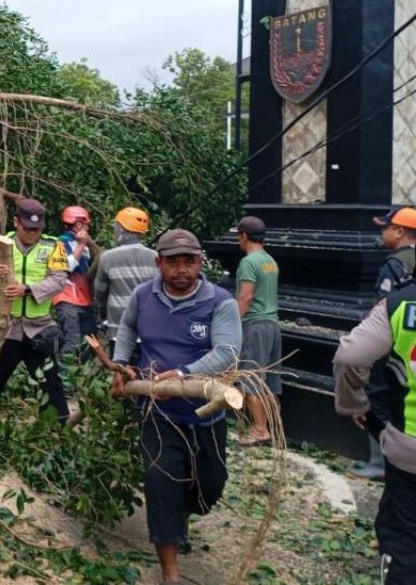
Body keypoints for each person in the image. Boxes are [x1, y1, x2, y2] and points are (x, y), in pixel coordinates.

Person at [110, 229, 242, 584]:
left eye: (190, 261)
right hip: (158, 413)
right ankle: (170, 572)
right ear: (159, 263)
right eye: (173, 261)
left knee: (208, 487)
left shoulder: (219, 302)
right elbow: (126, 329)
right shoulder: (143, 296)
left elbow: (228, 353)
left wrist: (184, 375)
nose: (181, 269)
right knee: (161, 482)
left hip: (204, 414)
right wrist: (121, 364)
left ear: (201, 262)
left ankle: (181, 513)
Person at [333, 231, 416, 585]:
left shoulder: (398, 304)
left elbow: (350, 356)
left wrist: (355, 405)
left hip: (413, 457)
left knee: (410, 556)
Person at [0, 198, 71, 428]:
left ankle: (60, 430)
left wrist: (27, 290)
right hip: (7, 327)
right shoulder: (1, 244)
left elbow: (59, 280)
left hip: (39, 328)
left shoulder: (54, 246)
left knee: (49, 382)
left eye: (37, 229)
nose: (32, 234)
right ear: (16, 222)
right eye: (28, 229)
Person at [352, 206, 416, 480]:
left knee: (377, 397)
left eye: (384, 228)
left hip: (389, 341)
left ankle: (380, 462)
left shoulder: (393, 265)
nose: (381, 233)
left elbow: (381, 310)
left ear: (399, 231)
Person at [234, 216, 282, 446]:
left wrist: (232, 325)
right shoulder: (269, 261)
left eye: (238, 235)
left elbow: (246, 296)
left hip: (254, 325)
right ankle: (268, 426)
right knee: (267, 380)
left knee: (250, 377)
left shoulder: (248, 262)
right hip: (272, 324)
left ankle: (260, 429)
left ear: (244, 236)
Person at [94, 206, 158, 349]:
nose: (115, 232)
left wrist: (103, 314)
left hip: (119, 330)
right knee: (148, 371)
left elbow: (99, 293)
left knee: (121, 369)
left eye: (116, 227)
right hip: (149, 330)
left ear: (122, 229)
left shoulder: (108, 258)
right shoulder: (155, 257)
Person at [53, 205, 98, 356]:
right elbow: (68, 267)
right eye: (86, 224)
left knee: (90, 346)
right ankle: (65, 378)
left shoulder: (84, 246)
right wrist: (81, 244)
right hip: (67, 301)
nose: (87, 227)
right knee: (72, 344)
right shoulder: (60, 242)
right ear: (78, 224)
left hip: (85, 301)